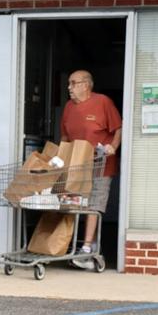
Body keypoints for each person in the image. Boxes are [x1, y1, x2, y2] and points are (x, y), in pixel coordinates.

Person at [59, 69, 122, 268]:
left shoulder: (103, 102)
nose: (69, 87)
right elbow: (64, 137)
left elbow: (118, 128)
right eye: (69, 83)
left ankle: (87, 248)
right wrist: (60, 158)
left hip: (100, 165)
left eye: (73, 83)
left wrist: (113, 146)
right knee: (76, 205)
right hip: (78, 166)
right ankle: (78, 244)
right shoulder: (69, 107)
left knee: (93, 206)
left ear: (86, 85)